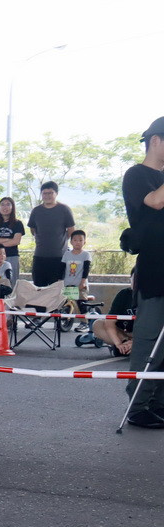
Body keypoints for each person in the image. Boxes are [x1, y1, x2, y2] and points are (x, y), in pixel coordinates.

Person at [120, 116, 164, 428]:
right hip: (155, 268)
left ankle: (158, 403)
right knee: (149, 338)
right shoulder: (137, 175)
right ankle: (138, 405)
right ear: (156, 141)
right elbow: (156, 202)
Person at [26, 182, 75, 287]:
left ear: (56, 193)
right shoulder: (36, 211)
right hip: (39, 256)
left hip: (59, 257)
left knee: (57, 288)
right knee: (39, 287)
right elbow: (33, 229)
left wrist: (59, 240)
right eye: (44, 193)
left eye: (50, 193)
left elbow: (71, 230)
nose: (47, 196)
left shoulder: (64, 209)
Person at [0, 197, 24, 288]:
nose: (5, 207)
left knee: (11, 283)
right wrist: (7, 240)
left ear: (12, 207)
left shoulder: (18, 223)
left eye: (8, 204)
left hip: (11, 256)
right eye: (2, 204)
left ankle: (10, 302)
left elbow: (16, 241)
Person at [92, 285, 134, 357]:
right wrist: (119, 343)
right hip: (123, 333)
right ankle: (124, 346)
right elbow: (109, 322)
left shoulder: (154, 296)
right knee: (98, 324)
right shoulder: (124, 294)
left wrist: (136, 342)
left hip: (144, 335)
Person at [60, 230, 91, 304]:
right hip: (68, 285)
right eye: (75, 240)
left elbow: (86, 269)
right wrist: (59, 282)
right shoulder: (66, 254)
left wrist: (82, 283)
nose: (78, 242)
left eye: (80, 240)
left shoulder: (86, 255)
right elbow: (61, 269)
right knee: (67, 305)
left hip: (80, 285)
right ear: (71, 242)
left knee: (81, 305)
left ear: (84, 242)